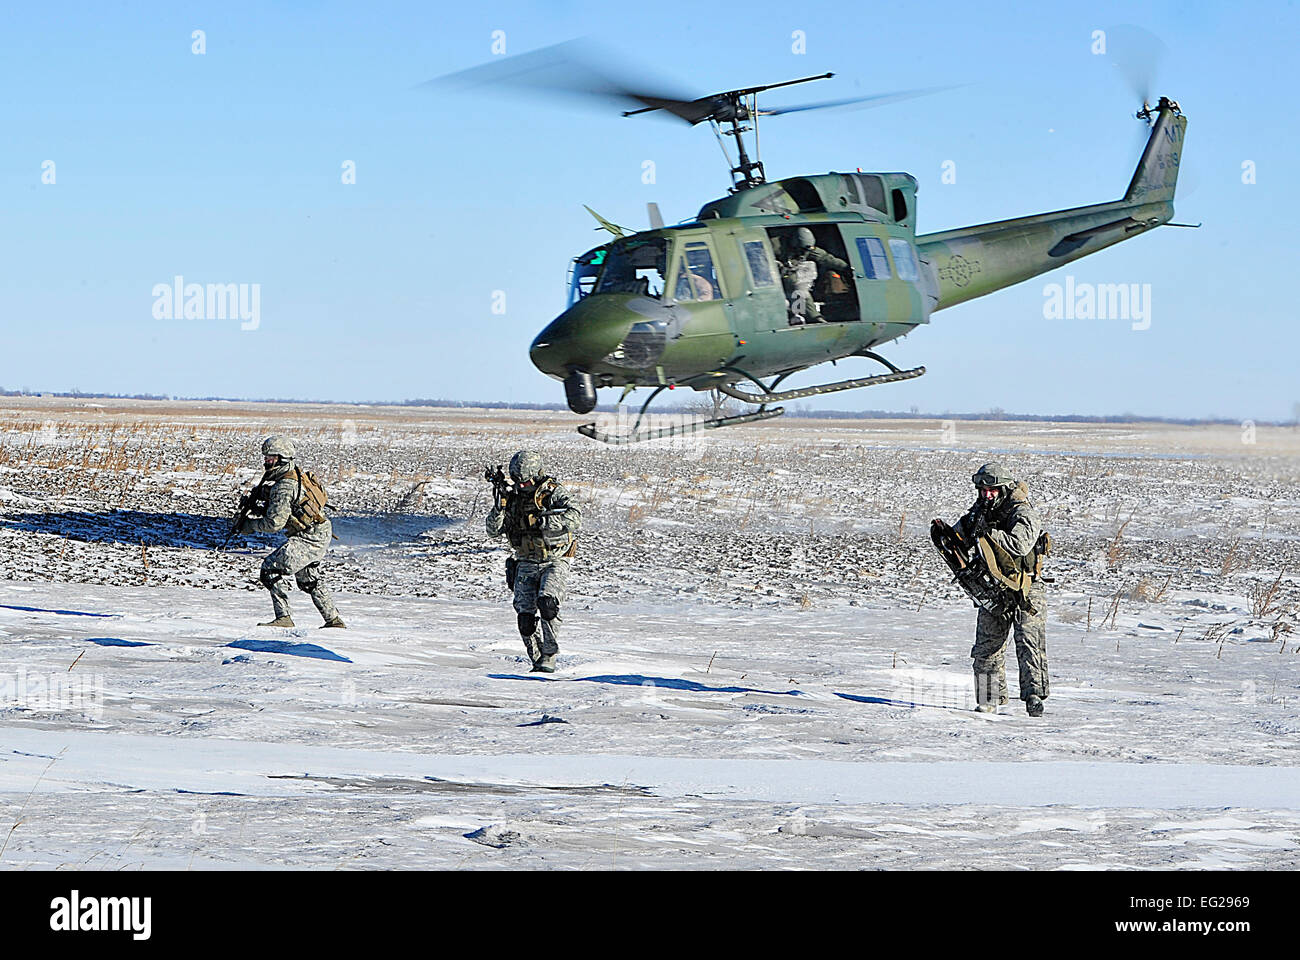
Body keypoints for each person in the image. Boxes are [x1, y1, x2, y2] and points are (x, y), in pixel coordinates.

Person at [935, 462, 1049, 716]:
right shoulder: (980, 511)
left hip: (1025, 588)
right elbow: (961, 537)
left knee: (1029, 643)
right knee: (987, 646)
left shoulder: (1022, 512)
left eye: (992, 490)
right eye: (983, 489)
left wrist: (990, 534)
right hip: (993, 588)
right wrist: (948, 537)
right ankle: (988, 700)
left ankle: (1033, 697)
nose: (987, 494)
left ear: (1004, 488)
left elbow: (1019, 545)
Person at [485, 450, 581, 673]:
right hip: (525, 561)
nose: (522, 486)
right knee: (525, 619)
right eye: (518, 482)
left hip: (555, 559)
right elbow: (492, 531)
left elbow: (575, 516)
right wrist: (499, 508)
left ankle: (550, 653)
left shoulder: (551, 492)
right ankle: (537, 660)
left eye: (526, 481)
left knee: (547, 603)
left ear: (536, 475)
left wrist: (545, 520)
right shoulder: (511, 497)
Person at [236, 435, 344, 629]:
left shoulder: (284, 486)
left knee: (269, 570)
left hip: (309, 538)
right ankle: (334, 621)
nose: (266, 461)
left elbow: (274, 523)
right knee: (308, 580)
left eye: (271, 458)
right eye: (266, 457)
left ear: (283, 458)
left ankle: (284, 617)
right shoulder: (293, 474)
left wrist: (249, 526)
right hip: (317, 533)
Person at [778, 227, 850, 324]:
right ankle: (812, 317)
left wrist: (846, 268)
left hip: (792, 274)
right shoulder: (777, 247)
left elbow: (825, 258)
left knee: (800, 287)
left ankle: (812, 315)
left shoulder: (808, 249)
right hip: (779, 276)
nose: (804, 252)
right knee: (798, 288)